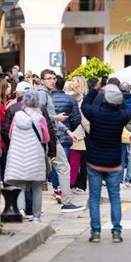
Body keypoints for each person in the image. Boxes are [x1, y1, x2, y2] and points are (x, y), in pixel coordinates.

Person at [81, 83, 131, 243]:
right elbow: (125, 109)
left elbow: (85, 104)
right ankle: (116, 232)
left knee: (94, 198)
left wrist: (95, 89)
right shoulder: (122, 117)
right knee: (115, 197)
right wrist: (119, 94)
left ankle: (96, 233)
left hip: (95, 160)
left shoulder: (95, 113)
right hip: (114, 162)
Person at [37, 69, 83, 213]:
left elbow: (50, 116)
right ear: (42, 80)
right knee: (63, 168)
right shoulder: (42, 94)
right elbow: (39, 116)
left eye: (53, 78)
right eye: (48, 78)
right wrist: (57, 119)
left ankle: (30, 208)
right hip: (47, 137)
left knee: (45, 170)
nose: (52, 81)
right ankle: (66, 203)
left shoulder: (46, 94)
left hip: (50, 136)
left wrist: (67, 131)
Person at [5, 91, 50, 222]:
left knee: (20, 185)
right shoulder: (40, 118)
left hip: (18, 155)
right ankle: (36, 216)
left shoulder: (17, 115)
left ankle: (21, 211)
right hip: (35, 156)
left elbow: (10, 135)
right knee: (36, 187)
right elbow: (46, 138)